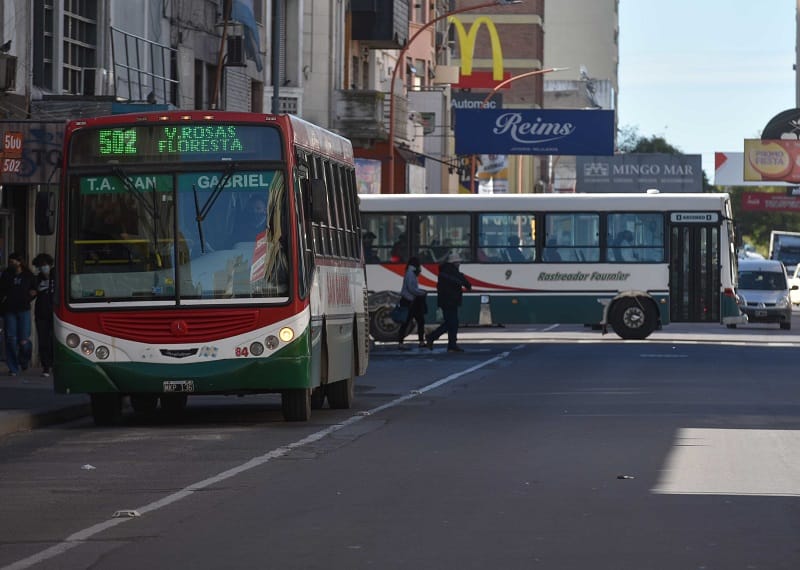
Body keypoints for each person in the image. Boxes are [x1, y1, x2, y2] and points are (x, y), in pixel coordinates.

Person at [425, 252, 472, 353]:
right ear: (454, 263)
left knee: (452, 323)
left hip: (446, 301)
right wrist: (466, 284)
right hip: (450, 301)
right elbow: (465, 283)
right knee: (451, 323)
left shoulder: (444, 271)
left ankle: (451, 345)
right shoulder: (452, 272)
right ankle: (432, 337)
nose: (459, 264)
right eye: (458, 262)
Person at [0, 253, 38, 376]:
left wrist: (30, 296)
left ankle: (24, 360)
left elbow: (34, 289)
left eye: (13, 262)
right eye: (9, 262)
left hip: (23, 310)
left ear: (19, 262)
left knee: (24, 341)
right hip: (9, 310)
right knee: (11, 339)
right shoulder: (6, 274)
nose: (10, 264)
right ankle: (13, 367)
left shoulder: (28, 275)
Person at [32, 253, 55, 377]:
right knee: (43, 340)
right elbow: (31, 294)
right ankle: (46, 366)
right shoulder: (36, 279)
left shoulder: (56, 276)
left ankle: (54, 364)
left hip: (55, 312)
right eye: (41, 266)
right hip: (41, 313)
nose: (44, 268)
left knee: (54, 340)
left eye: (45, 265)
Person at [398, 256, 427, 348]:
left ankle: (402, 342)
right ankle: (419, 342)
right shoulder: (411, 273)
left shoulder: (411, 272)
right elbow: (412, 288)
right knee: (414, 322)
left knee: (409, 322)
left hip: (410, 301)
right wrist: (422, 292)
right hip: (410, 302)